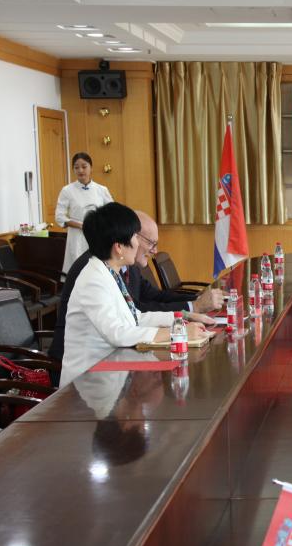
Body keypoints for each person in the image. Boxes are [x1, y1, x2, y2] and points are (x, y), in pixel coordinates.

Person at [59, 202, 206, 387]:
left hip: (111, 374)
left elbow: (136, 317)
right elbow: (118, 333)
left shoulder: (110, 272)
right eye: (135, 236)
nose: (137, 243)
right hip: (87, 384)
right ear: (119, 247)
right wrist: (177, 333)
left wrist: (183, 317)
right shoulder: (93, 280)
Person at [56, 152, 114, 274]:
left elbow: (111, 213)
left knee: (98, 268)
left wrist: (100, 225)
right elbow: (59, 217)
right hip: (77, 236)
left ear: (91, 167)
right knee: (78, 269)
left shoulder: (101, 189)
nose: (80, 170)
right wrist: (81, 225)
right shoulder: (67, 190)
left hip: (97, 234)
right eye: (76, 167)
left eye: (84, 166)